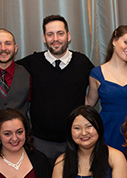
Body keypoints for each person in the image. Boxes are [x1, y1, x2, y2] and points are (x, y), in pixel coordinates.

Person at [17, 14, 94, 163]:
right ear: (44, 38)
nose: (55, 39)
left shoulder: (82, 62)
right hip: (40, 142)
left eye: (60, 33)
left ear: (68, 36)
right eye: (50, 34)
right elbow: (6, 68)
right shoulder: (32, 63)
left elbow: (102, 79)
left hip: (74, 141)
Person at [86, 25, 127, 151]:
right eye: (126, 42)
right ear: (114, 41)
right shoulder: (96, 74)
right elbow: (89, 103)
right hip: (108, 130)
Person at [0, 28, 30, 148]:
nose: (3, 48)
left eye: (7, 43)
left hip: (19, 143)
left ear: (15, 48)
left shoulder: (27, 73)